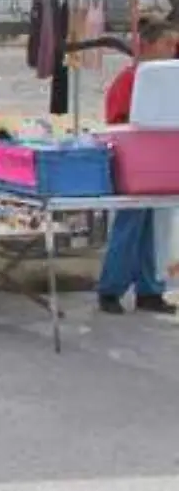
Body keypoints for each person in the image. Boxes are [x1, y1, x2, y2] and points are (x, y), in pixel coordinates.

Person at [97, 22, 178, 315]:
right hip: (135, 163)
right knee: (129, 225)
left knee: (156, 229)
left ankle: (150, 289)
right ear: (149, 45)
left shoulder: (168, 81)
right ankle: (110, 289)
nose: (173, 50)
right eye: (168, 44)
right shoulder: (129, 80)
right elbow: (117, 120)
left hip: (163, 163)